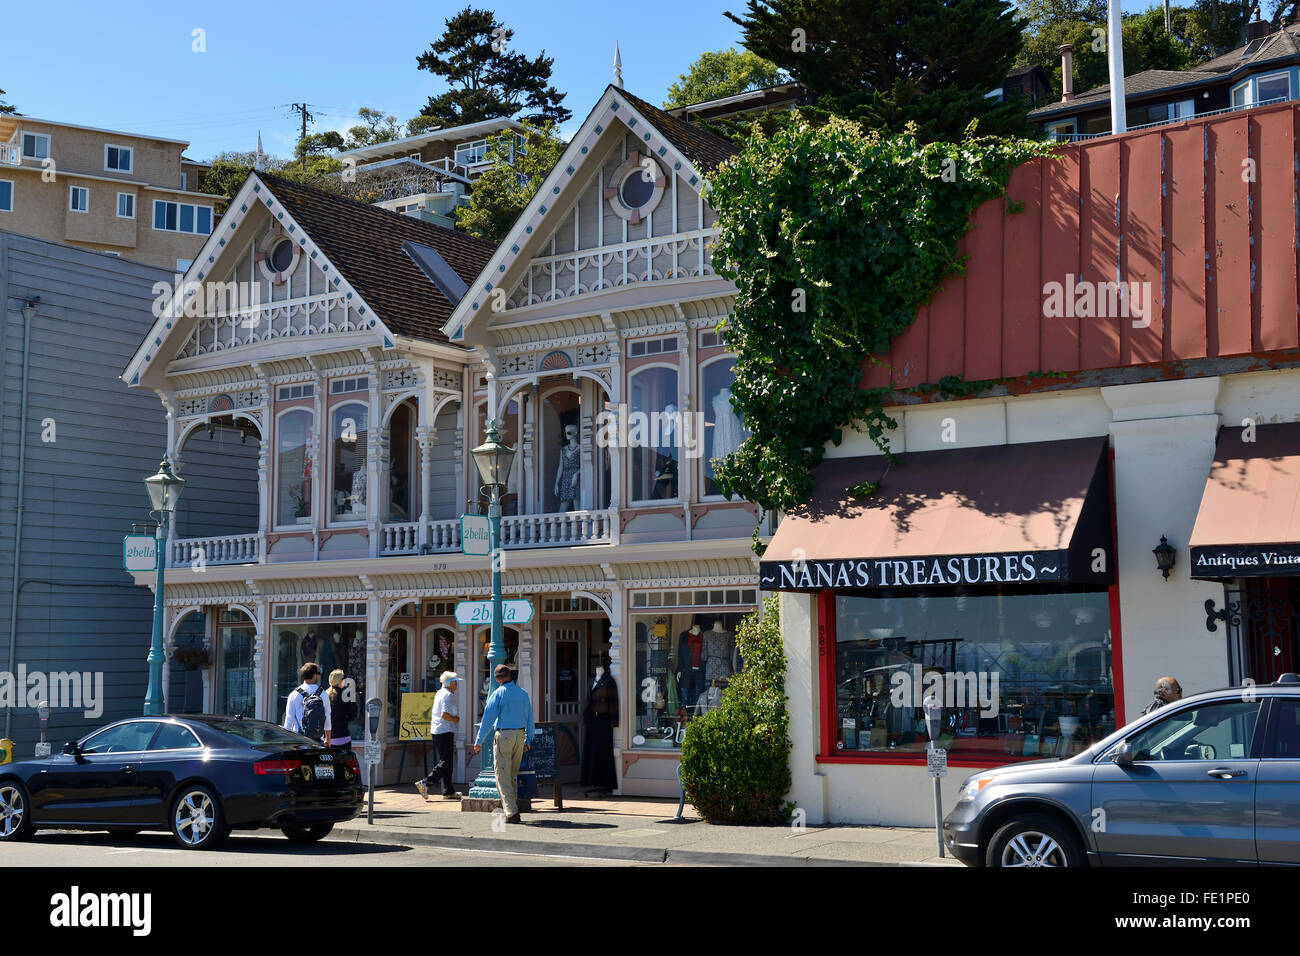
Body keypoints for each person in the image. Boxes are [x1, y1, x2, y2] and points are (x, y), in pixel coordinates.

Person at [473, 664, 534, 824]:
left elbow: (487, 719)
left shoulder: (498, 694)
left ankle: (512, 812)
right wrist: (528, 739)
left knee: (502, 775)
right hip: (520, 735)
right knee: (512, 774)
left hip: (504, 735)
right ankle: (512, 807)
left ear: (496, 678)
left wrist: (479, 741)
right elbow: (530, 720)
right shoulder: (523, 694)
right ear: (510, 675)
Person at [415, 672, 461, 801]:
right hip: (444, 730)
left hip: (437, 731)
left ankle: (448, 791)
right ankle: (426, 782)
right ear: (450, 683)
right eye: (455, 682)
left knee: (446, 761)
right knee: (446, 762)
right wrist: (455, 719)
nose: (457, 685)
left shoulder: (440, 693)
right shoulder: (448, 695)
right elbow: (444, 715)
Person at [284, 662, 332, 745]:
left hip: (298, 739)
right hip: (317, 739)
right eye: (318, 673)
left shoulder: (294, 694)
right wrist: (328, 738)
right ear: (314, 675)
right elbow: (327, 717)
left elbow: (289, 718)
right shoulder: (323, 694)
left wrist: (286, 740)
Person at [326, 669, 356, 751]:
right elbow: (353, 715)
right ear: (340, 681)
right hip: (343, 734)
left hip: (328, 737)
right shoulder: (347, 694)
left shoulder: (325, 694)